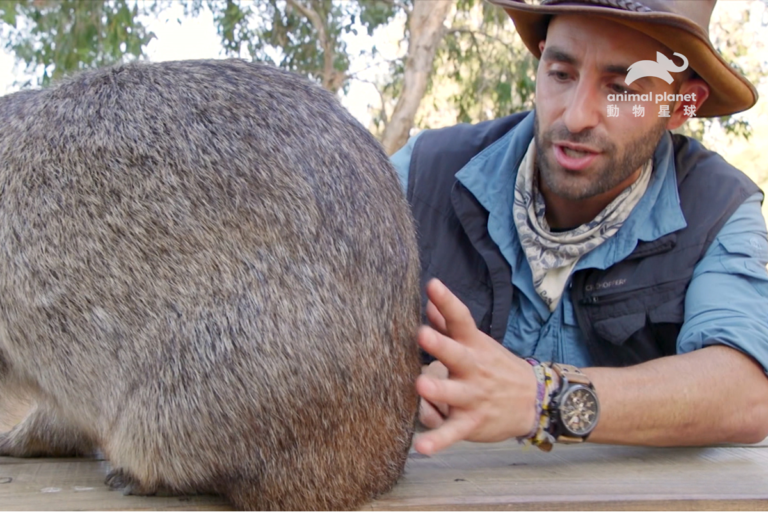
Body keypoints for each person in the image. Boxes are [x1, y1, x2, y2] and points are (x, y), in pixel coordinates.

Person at [390, 0, 768, 455]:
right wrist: (402, 376)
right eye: (561, 74)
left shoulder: (721, 208)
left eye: (622, 87)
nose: (575, 116)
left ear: (682, 104)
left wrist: (540, 397)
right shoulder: (420, 174)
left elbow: (747, 393)